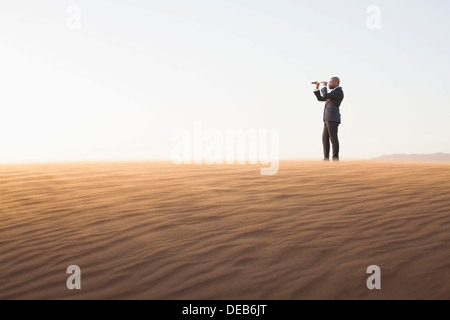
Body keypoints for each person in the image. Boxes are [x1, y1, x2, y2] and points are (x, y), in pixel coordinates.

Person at [313, 77, 344, 161]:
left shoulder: (338, 92)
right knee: (324, 139)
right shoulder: (333, 93)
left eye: (330, 82)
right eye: (328, 83)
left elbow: (325, 95)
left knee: (333, 138)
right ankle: (326, 159)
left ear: (336, 83)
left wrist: (324, 86)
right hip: (327, 118)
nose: (329, 84)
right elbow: (321, 98)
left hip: (332, 118)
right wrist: (317, 88)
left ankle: (335, 159)